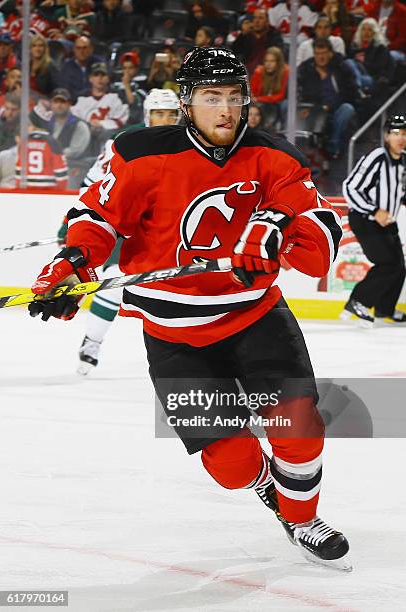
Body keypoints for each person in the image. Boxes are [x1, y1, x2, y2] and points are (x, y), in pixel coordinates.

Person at [28, 47, 350, 570]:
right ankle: (266, 485)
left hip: (254, 316)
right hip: (173, 334)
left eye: (233, 97)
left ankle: (302, 517)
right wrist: (73, 261)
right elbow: (96, 216)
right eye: (210, 97)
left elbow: (319, 227)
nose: (225, 110)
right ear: (186, 102)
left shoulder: (277, 157)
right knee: (230, 464)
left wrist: (277, 234)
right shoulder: (136, 152)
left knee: (298, 427)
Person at [75, 89, 181, 374]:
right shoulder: (123, 143)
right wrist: (85, 223)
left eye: (171, 114)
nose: (165, 120)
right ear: (147, 116)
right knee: (113, 281)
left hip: (172, 229)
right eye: (159, 113)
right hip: (130, 225)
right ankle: (92, 341)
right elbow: (93, 184)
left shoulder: (191, 143)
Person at [341, 115, 406, 325]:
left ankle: (384, 310)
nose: (400, 138)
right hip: (364, 218)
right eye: (395, 133)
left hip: (387, 220)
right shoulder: (377, 156)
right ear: (387, 136)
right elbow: (350, 187)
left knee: (399, 265)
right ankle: (357, 302)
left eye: (404, 133)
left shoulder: (403, 160)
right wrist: (374, 210)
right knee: (386, 262)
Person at [298, 38, 357, 158]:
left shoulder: (341, 68)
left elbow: (349, 93)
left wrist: (329, 106)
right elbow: (298, 90)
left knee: (347, 108)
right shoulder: (305, 69)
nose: (321, 57)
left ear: (330, 53)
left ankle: (333, 146)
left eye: (324, 53)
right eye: (317, 54)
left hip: (334, 109)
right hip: (312, 109)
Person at [71, 62, 129, 152]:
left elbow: (122, 121)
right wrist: (88, 125)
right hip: (85, 137)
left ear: (108, 78)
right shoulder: (80, 98)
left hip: (108, 138)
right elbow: (73, 119)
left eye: (103, 75)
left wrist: (101, 124)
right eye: (96, 75)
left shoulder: (117, 97)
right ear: (90, 78)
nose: (100, 78)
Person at [15, 112, 68, 190]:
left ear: (32, 124)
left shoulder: (24, 142)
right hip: (48, 190)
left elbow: (19, 171)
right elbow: (60, 173)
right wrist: (61, 190)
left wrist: (19, 188)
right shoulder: (52, 142)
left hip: (27, 190)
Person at [231, 8, 284, 75]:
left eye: (260, 18)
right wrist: (242, 34)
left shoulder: (273, 35)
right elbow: (234, 52)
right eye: (254, 18)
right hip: (246, 73)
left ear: (267, 22)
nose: (256, 21)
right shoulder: (246, 35)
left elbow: (277, 54)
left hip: (267, 73)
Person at [250, 46, 289, 128]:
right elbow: (252, 93)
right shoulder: (259, 72)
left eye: (272, 61)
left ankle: (284, 130)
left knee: (285, 104)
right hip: (261, 103)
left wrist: (260, 99)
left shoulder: (285, 72)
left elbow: (281, 96)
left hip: (278, 103)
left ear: (278, 62)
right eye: (266, 61)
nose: (268, 64)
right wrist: (256, 99)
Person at [48, 88, 91, 162]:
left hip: (73, 166)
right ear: (51, 104)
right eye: (56, 102)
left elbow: (74, 151)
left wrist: (49, 154)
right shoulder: (46, 122)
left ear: (69, 104)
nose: (59, 105)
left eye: (63, 102)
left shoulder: (79, 125)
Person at [58, 36, 103, 102]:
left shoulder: (99, 63)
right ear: (74, 50)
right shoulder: (66, 66)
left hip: (96, 103)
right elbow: (65, 91)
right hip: (73, 104)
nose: (81, 51)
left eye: (85, 48)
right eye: (78, 48)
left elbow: (103, 87)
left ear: (91, 49)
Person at [112, 51, 147, 125]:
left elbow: (133, 104)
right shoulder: (116, 85)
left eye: (131, 68)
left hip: (133, 122)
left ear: (137, 69)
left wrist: (126, 84)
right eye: (124, 68)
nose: (127, 71)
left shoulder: (142, 83)